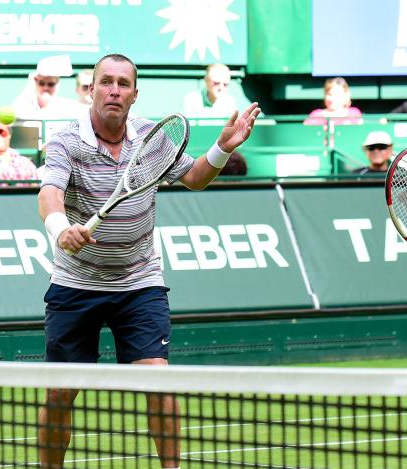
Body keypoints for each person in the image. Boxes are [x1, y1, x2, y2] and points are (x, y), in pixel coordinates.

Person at [37, 53, 261, 469]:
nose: (114, 91)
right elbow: (49, 193)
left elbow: (194, 178)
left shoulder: (152, 137)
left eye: (123, 84)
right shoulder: (66, 141)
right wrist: (59, 229)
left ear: (134, 94)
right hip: (77, 282)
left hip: (139, 280)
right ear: (92, 89)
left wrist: (220, 147)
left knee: (158, 381)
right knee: (59, 392)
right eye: (106, 82)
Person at [12, 55, 86, 120]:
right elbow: (17, 112)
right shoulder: (26, 104)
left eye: (51, 84)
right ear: (35, 82)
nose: (45, 87)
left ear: (57, 84)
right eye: (41, 83)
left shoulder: (66, 107)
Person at [183, 63, 247, 118]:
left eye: (225, 84)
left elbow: (234, 129)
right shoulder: (191, 100)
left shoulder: (230, 103)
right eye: (216, 83)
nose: (221, 87)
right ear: (206, 81)